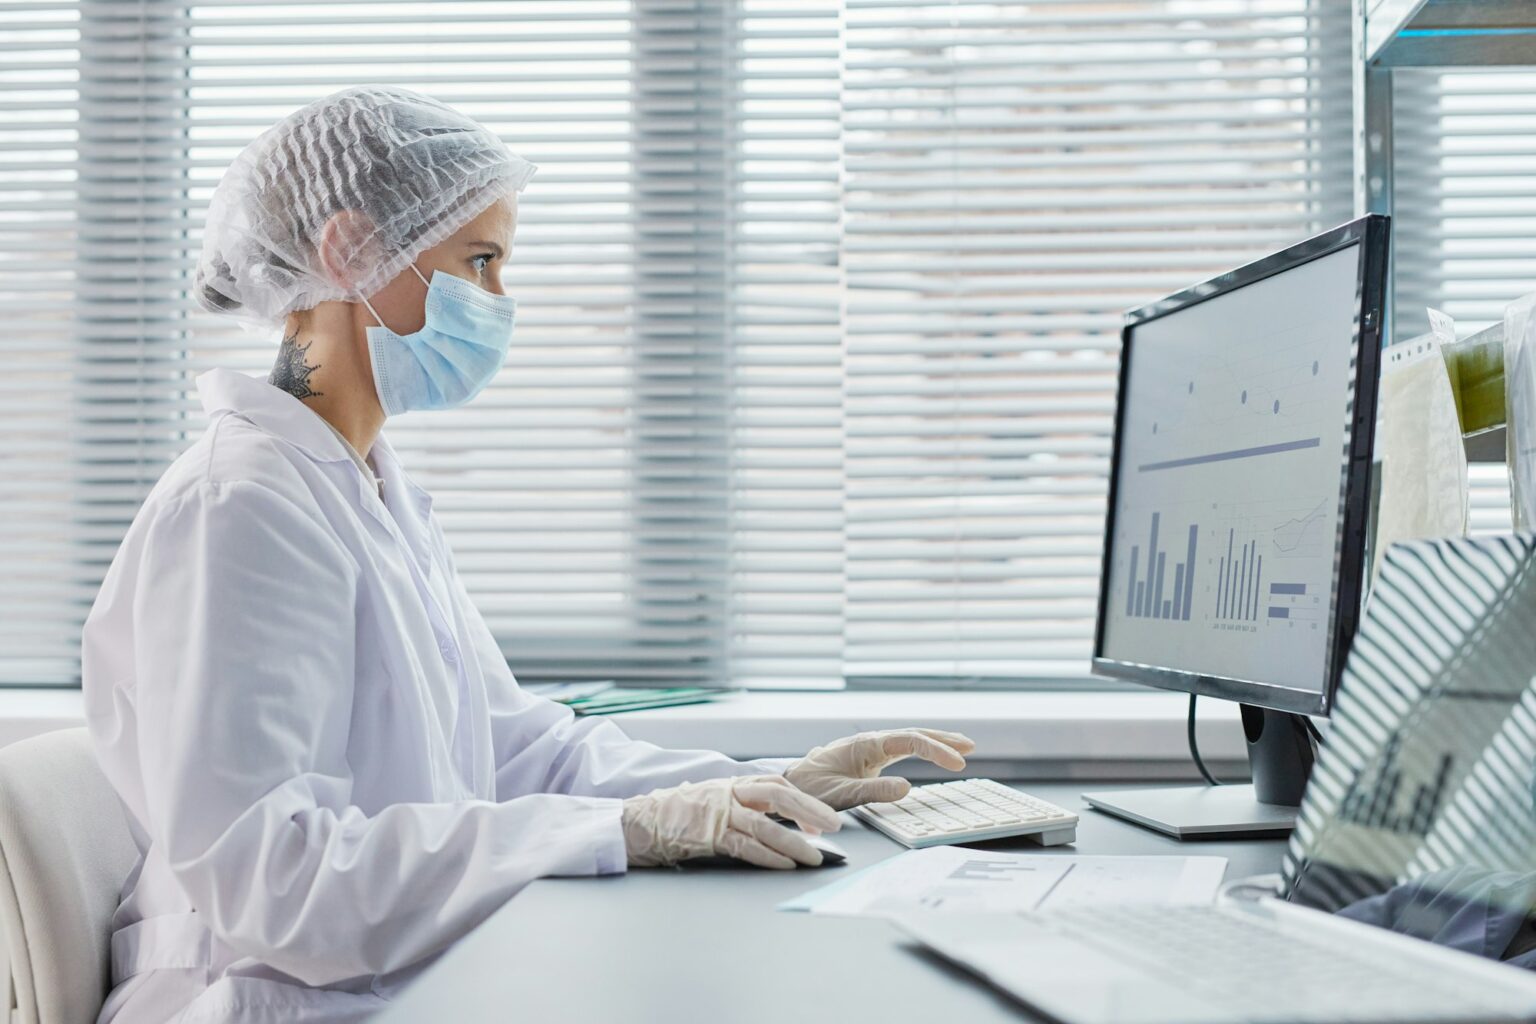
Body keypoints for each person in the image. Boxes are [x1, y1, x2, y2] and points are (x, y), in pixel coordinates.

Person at [80, 85, 975, 1024]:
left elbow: (514, 754)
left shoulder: (362, 490)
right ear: (348, 251)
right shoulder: (243, 507)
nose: (499, 300)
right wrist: (620, 830)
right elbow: (274, 882)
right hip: (275, 1002)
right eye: (479, 261)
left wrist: (753, 785)